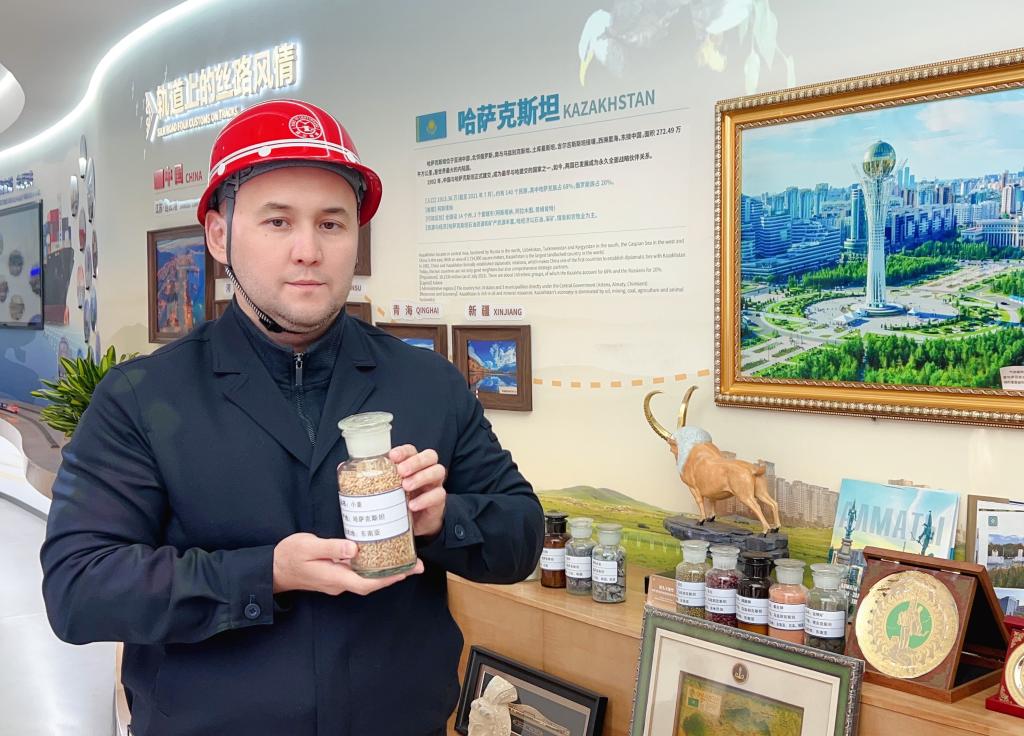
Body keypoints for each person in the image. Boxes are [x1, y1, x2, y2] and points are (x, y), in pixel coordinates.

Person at [40, 99, 544, 736]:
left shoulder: (428, 383)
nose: (309, 250)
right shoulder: (142, 397)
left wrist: (442, 518)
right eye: (277, 221)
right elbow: (79, 588)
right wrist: (264, 575)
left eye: (332, 223)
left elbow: (522, 536)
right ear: (219, 235)